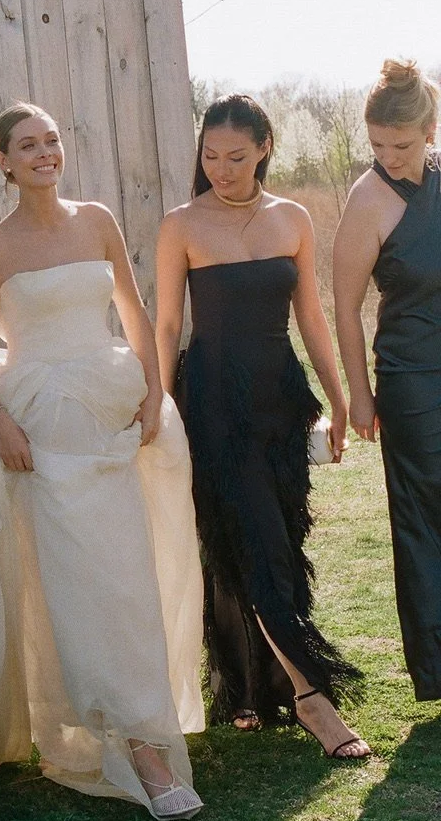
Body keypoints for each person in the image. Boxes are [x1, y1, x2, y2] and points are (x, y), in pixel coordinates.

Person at [0, 101, 205, 821]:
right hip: (42, 428)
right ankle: (132, 750)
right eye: (28, 146)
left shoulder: (96, 221)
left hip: (112, 412)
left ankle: (144, 726)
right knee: (75, 587)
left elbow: (133, 310)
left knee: (128, 577)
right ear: (3, 161)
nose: (44, 154)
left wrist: (155, 393)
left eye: (53, 141)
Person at [155, 93, 370, 759]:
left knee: (276, 537)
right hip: (215, 403)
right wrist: (159, 410)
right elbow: (166, 326)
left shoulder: (294, 218)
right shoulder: (181, 225)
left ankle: (250, 688)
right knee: (256, 541)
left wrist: (338, 399)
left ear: (265, 148)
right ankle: (314, 698)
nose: (221, 168)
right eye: (210, 156)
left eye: (236, 157)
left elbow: (311, 317)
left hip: (279, 399)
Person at [333, 58, 441, 702]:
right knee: (424, 520)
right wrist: (359, 395)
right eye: (376, 145)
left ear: (431, 131)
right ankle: (435, 670)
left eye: (399, 146)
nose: (387, 157)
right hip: (412, 384)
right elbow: (345, 306)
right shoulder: (367, 198)